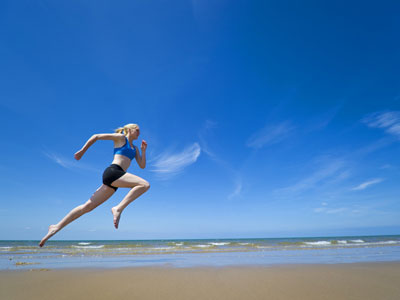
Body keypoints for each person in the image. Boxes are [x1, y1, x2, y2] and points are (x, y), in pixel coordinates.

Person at [39, 123, 150, 247]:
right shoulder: (120, 138)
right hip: (113, 172)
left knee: (87, 207)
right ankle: (118, 208)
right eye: (137, 130)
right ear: (129, 129)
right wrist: (82, 151)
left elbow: (142, 165)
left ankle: (56, 227)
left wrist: (144, 151)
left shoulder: (135, 149)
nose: (139, 133)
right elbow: (96, 136)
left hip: (115, 181)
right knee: (144, 184)